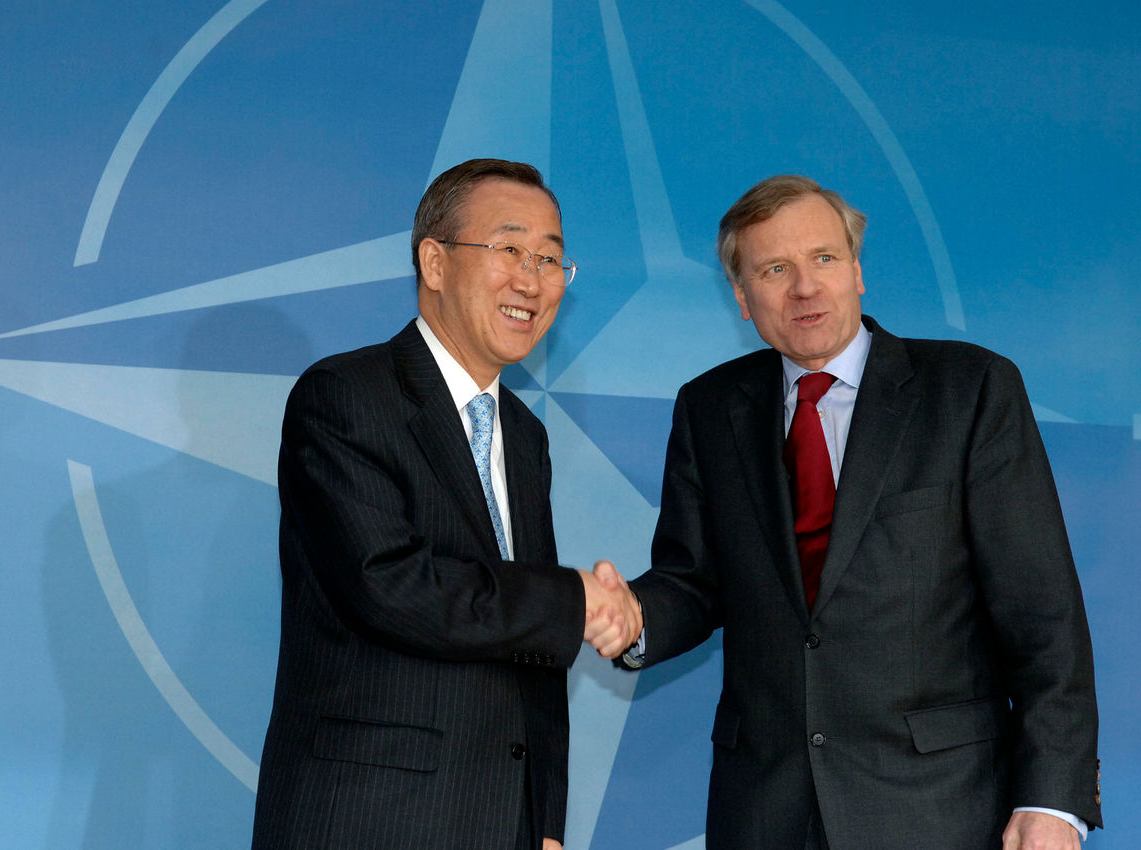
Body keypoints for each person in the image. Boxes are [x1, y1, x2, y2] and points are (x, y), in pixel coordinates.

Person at [600, 175, 1101, 848]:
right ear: (742, 297)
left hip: (939, 809)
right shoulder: (709, 408)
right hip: (766, 812)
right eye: (775, 269)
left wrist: (1053, 799)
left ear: (857, 271)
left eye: (824, 258)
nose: (805, 287)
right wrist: (631, 617)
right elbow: (693, 581)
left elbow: (1042, 614)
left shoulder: (970, 390)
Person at [251, 158, 639, 850]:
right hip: (370, 822)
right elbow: (389, 586)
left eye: (551, 259)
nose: (532, 280)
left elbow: (527, 653)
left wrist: (544, 820)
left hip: (501, 823)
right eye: (509, 249)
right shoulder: (345, 396)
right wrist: (570, 598)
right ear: (434, 262)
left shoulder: (525, 436)